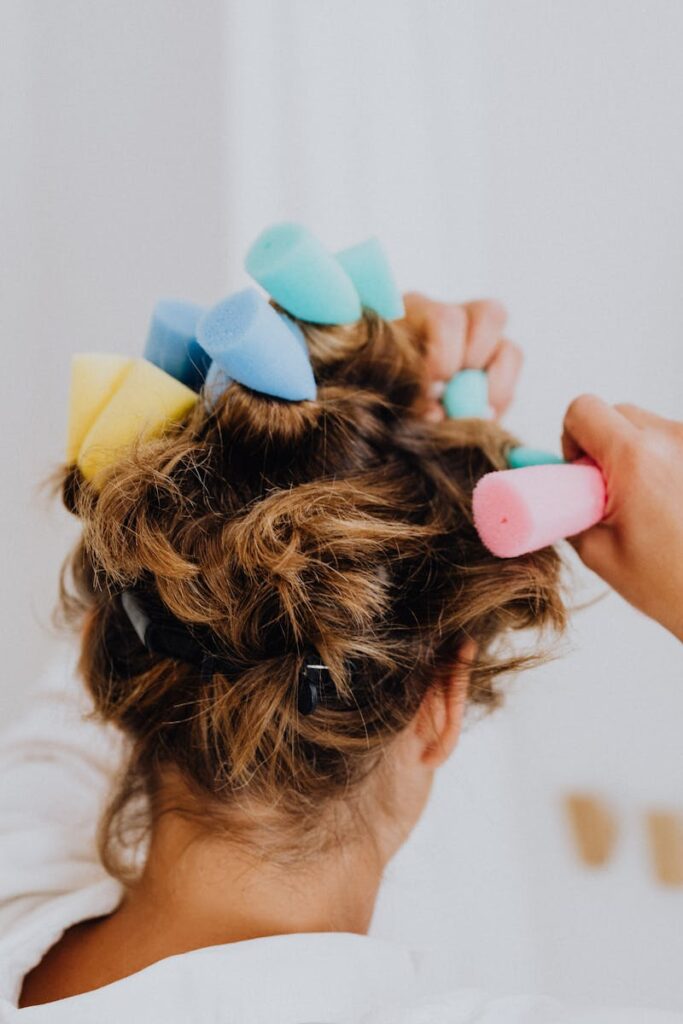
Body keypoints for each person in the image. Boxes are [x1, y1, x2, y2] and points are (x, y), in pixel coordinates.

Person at [0, 294, 680, 1023]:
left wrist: (343, 421)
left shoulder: (21, 861)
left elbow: (138, 606)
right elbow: (148, 594)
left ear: (99, 663)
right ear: (441, 704)